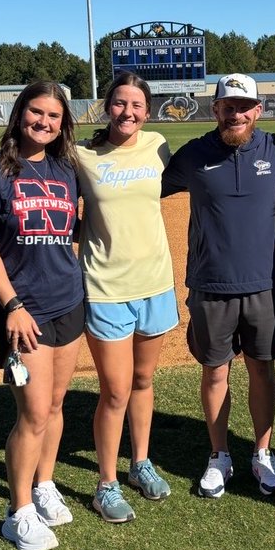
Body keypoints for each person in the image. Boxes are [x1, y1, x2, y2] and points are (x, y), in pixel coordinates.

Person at [161, 73, 275, 499]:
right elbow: (142, 188)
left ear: (258, 109)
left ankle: (262, 453)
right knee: (215, 369)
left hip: (265, 283)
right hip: (210, 283)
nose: (235, 113)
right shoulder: (193, 155)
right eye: (227, 106)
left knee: (262, 367)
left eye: (244, 106)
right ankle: (219, 455)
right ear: (215, 109)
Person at [0, 81, 84, 550]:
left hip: (67, 301)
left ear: (63, 123)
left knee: (54, 406)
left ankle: (43, 483)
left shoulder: (65, 169)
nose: (44, 122)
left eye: (54, 116)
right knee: (31, 413)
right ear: (19, 114)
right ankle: (18, 513)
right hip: (19, 311)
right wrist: (12, 304)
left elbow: (71, 229)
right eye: (36, 112)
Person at [73, 72, 179, 523]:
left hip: (155, 283)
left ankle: (140, 463)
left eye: (136, 105)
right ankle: (106, 484)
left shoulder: (159, 146)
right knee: (114, 390)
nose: (127, 112)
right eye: (119, 103)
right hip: (106, 288)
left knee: (142, 381)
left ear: (147, 111)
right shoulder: (83, 156)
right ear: (106, 106)